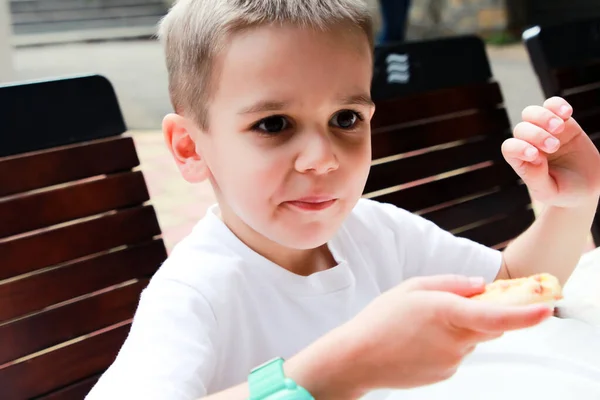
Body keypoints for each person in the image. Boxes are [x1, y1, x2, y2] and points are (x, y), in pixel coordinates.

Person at [86, 0, 600, 399]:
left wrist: (570, 207)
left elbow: (509, 286)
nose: (322, 158)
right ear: (189, 148)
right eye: (273, 124)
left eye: (346, 119)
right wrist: (342, 367)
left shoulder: (378, 232)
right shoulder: (194, 296)